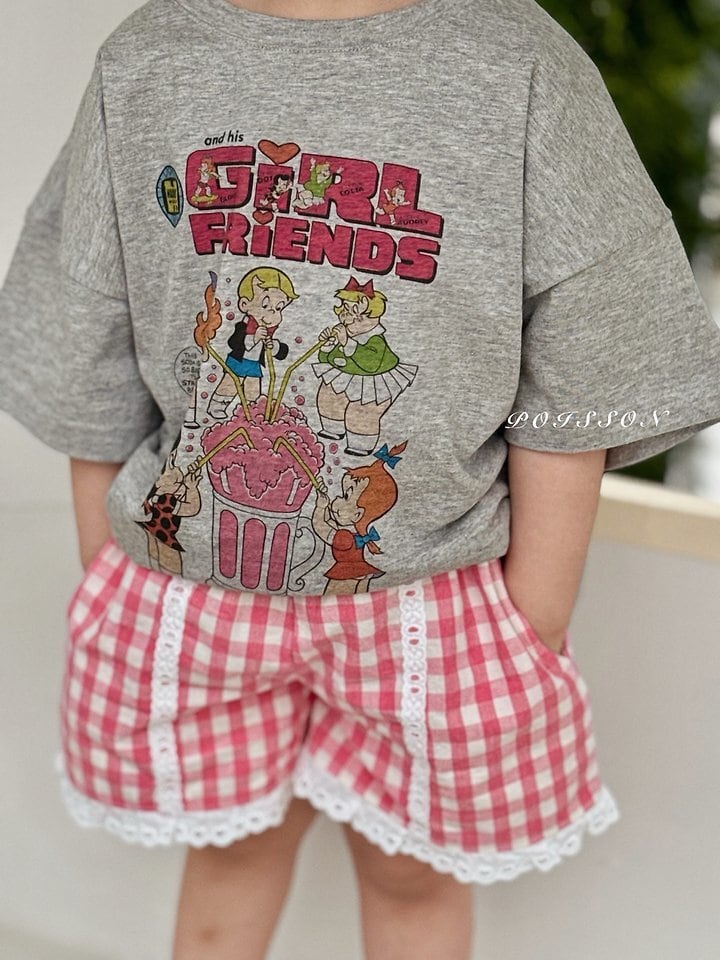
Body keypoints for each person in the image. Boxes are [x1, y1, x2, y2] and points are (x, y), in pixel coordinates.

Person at [3, 0, 720, 958]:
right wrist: (106, 559)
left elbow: (591, 333)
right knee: (231, 855)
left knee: (410, 875)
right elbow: (83, 309)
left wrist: (538, 608)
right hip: (193, 588)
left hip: (439, 594)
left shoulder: (519, 64)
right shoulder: (149, 58)